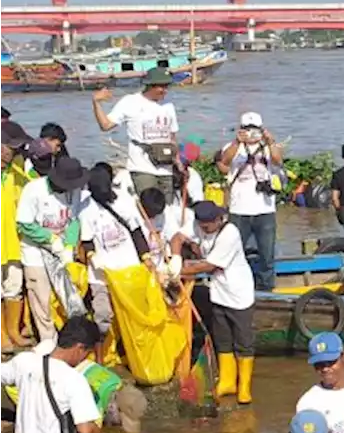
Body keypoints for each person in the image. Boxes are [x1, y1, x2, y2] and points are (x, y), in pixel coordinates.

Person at [177, 201, 257, 405]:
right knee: (223, 338)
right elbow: (177, 237)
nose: (204, 229)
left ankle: (244, 386)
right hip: (219, 292)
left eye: (207, 225)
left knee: (243, 341)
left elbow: (209, 265)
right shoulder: (198, 224)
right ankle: (228, 381)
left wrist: (179, 271)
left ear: (218, 220)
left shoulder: (230, 234)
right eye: (201, 225)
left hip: (239, 294)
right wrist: (176, 258)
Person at [16, 156, 89, 347]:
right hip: (35, 250)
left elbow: (73, 220)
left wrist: (69, 246)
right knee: (41, 297)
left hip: (61, 252)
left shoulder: (74, 191)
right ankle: (47, 340)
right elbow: (24, 224)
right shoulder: (34, 190)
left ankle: (70, 339)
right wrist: (51, 240)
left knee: (68, 295)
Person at [80, 163, 149, 344]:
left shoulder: (123, 202)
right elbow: (86, 241)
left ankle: (127, 348)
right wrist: (91, 257)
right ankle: (101, 351)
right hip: (101, 274)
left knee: (131, 312)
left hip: (128, 270)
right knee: (103, 314)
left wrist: (146, 257)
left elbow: (136, 231)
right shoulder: (86, 209)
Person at [217, 112, 282, 291]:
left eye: (255, 130)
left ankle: (266, 287)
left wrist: (270, 142)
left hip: (265, 209)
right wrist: (238, 142)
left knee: (267, 254)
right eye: (247, 129)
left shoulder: (268, 147)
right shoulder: (232, 147)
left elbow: (278, 160)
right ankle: (234, 284)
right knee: (234, 250)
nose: (251, 134)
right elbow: (224, 162)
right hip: (239, 209)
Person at [91, 68, 179, 200]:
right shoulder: (130, 102)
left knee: (168, 209)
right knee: (148, 208)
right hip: (142, 169)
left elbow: (172, 138)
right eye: (162, 87)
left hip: (166, 169)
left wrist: (178, 162)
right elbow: (106, 125)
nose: (165, 90)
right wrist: (96, 102)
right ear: (150, 85)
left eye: (167, 86)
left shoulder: (169, 106)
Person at [0, 121, 31, 353]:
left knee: (14, 287)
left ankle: (13, 331)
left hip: (12, 240)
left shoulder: (17, 168)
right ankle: (1, 335)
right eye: (11, 148)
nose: (13, 153)